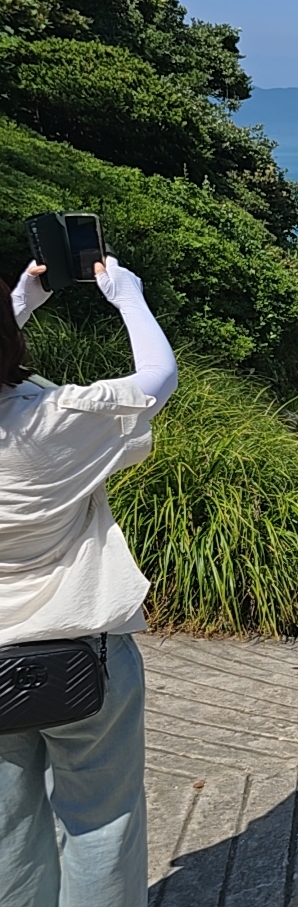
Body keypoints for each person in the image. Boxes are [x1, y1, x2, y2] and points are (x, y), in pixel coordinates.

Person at [1, 256, 178, 907]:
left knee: (6, 834)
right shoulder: (47, 420)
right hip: (82, 656)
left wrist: (20, 302)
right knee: (102, 821)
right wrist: (128, 295)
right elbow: (156, 379)